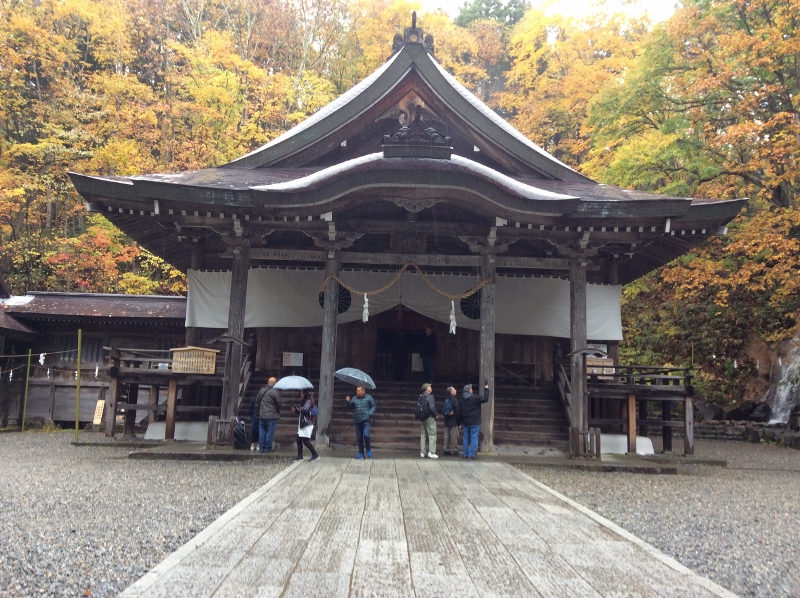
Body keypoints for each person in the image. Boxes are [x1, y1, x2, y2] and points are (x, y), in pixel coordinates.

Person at [460, 382, 489, 459]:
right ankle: (471, 454)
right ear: (469, 390)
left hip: (465, 421)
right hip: (474, 421)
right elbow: (485, 398)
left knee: (465, 437)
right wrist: (486, 388)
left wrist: (460, 421)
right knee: (474, 438)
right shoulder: (475, 398)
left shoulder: (461, 399)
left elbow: (459, 410)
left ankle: (465, 453)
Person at [346, 386, 376, 459]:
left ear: (363, 391)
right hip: (357, 420)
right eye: (357, 390)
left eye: (359, 390)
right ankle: (361, 453)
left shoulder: (369, 398)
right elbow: (350, 407)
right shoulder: (354, 398)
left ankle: (368, 449)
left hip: (366, 420)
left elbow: (374, 406)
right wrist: (348, 401)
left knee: (366, 435)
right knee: (359, 437)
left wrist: (369, 413)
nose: (357, 392)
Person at [291, 390, 319, 461]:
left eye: (301, 392)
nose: (300, 394)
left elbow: (305, 409)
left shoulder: (308, 401)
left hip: (307, 423)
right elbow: (301, 411)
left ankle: (315, 454)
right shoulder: (304, 401)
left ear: (304, 393)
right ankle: (300, 455)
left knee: (305, 440)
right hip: (303, 422)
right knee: (299, 439)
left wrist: (297, 408)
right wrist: (295, 410)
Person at [256, 376, 281, 452]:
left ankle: (261, 447)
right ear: (275, 383)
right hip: (271, 416)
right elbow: (279, 403)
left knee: (262, 432)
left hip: (262, 415)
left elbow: (257, 403)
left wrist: (257, 413)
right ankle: (267, 448)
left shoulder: (261, 391)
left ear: (268, 382)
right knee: (269, 433)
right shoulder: (275, 392)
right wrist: (277, 411)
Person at [418, 383, 438, 459]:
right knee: (432, 435)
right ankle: (431, 452)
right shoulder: (430, 397)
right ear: (427, 389)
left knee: (423, 435)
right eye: (429, 387)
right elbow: (432, 407)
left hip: (422, 418)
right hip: (430, 417)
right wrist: (436, 414)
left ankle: (422, 452)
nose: (431, 387)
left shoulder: (421, 396)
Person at [442, 385, 460, 455]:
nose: (456, 390)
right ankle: (453, 450)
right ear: (452, 392)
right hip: (453, 421)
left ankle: (445, 449)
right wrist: (459, 422)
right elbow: (457, 411)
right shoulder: (455, 400)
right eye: (454, 389)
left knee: (446, 436)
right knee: (453, 436)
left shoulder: (446, 399)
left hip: (446, 420)